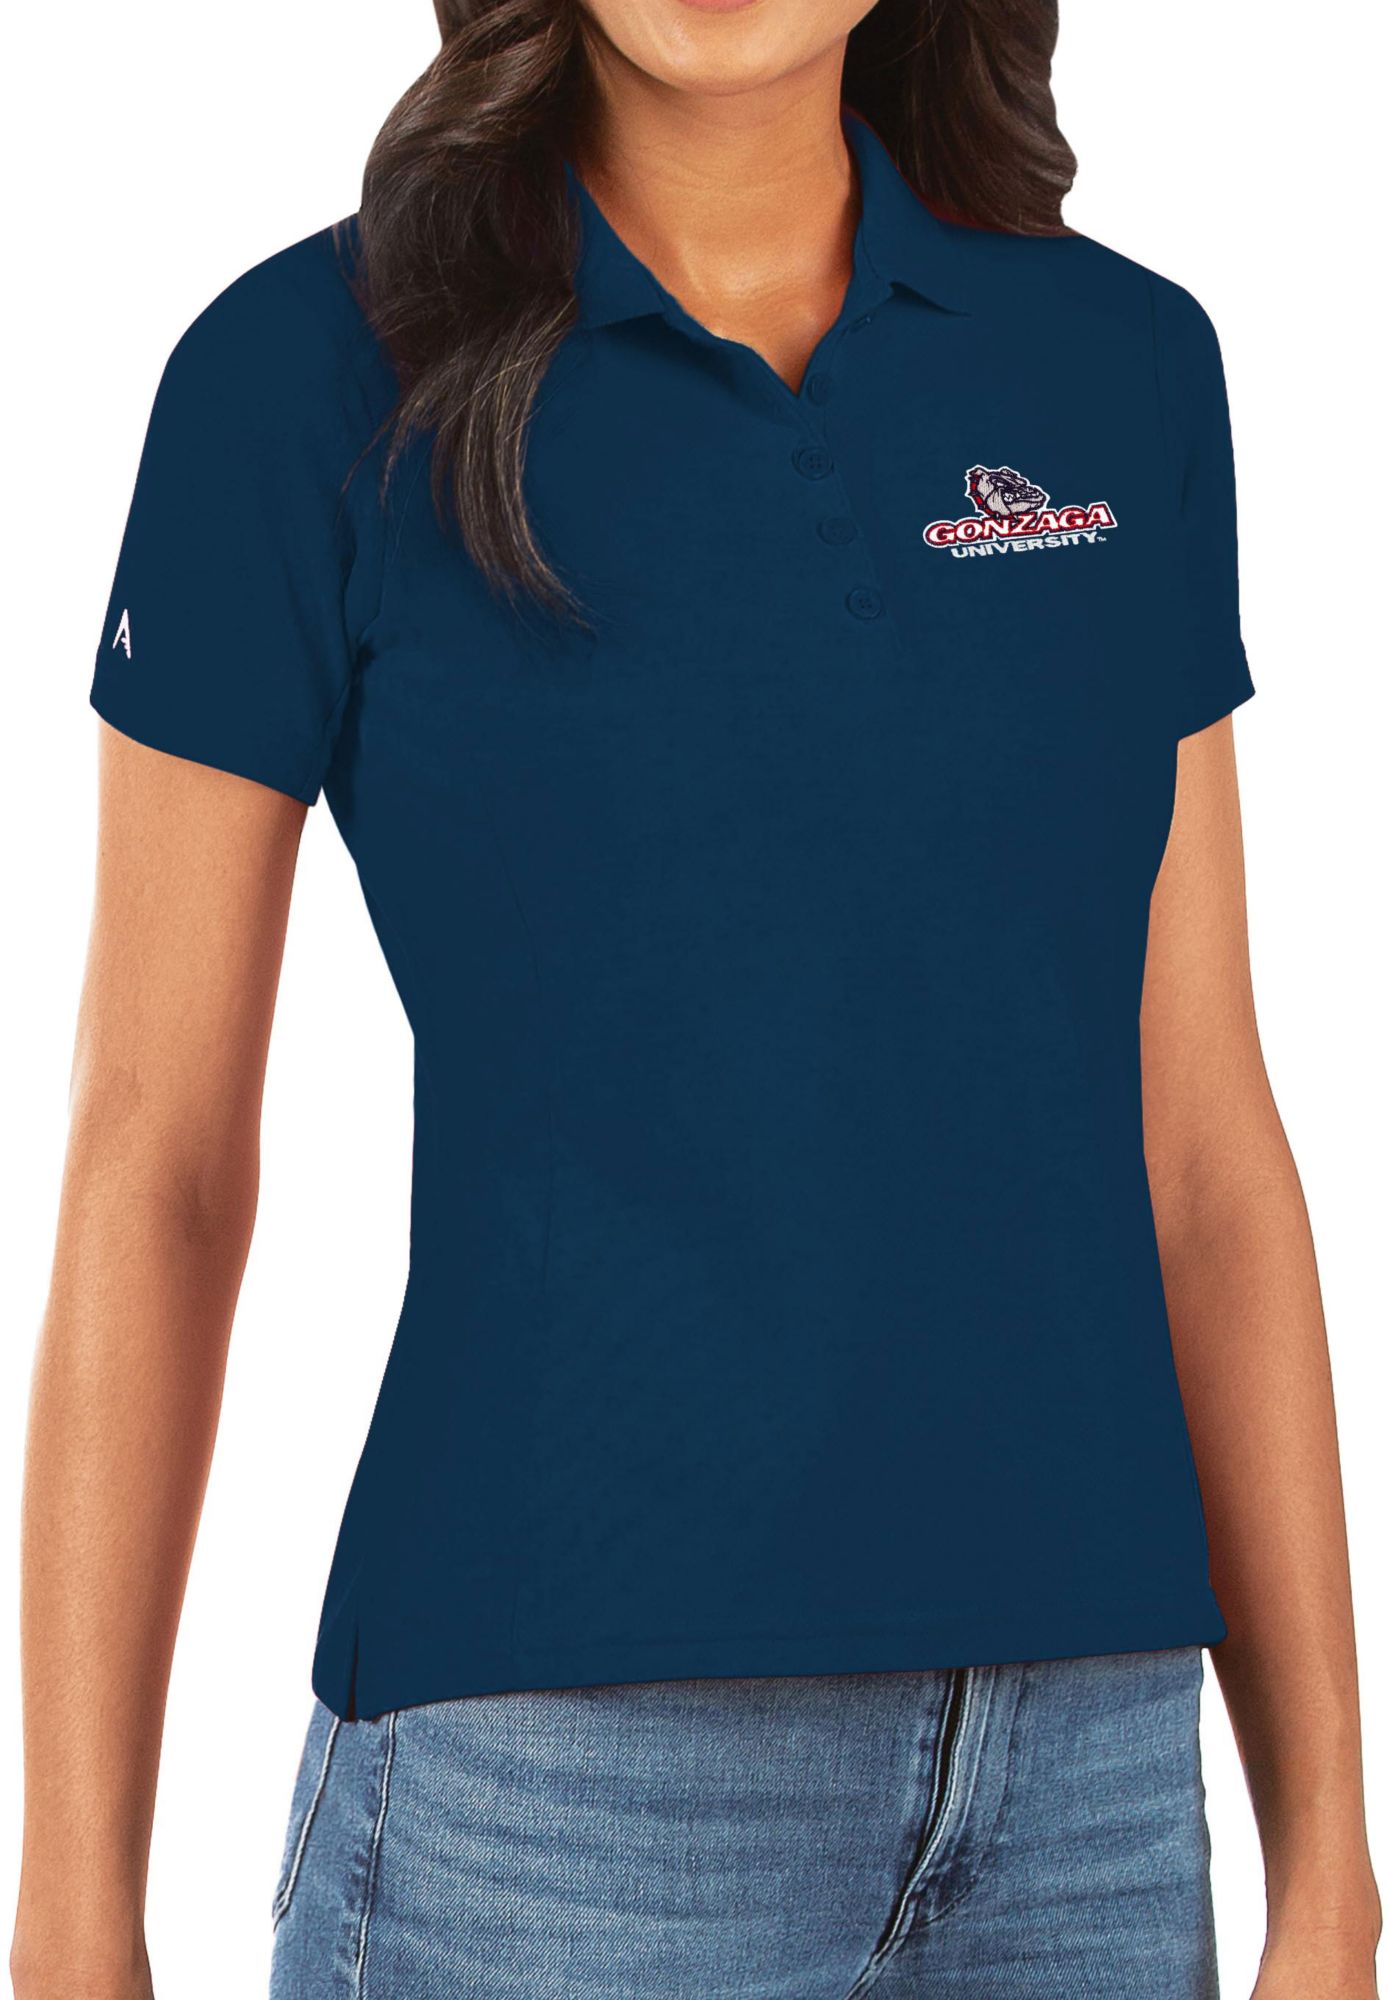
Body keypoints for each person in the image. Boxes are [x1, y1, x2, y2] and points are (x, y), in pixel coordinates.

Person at [11, 0, 1381, 1995]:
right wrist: (70, 1918)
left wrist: (1329, 1852)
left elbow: (1203, 1150)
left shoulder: (1114, 365)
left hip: (1090, 1785)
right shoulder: (303, 377)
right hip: (557, 1793)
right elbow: (157, 1163)